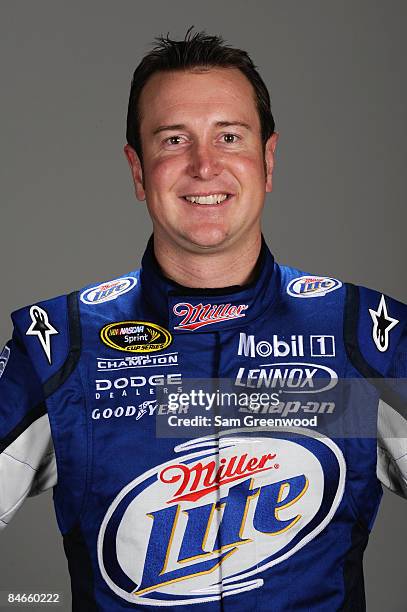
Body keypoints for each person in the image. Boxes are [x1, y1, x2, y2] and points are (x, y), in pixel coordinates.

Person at [0, 29, 406, 611]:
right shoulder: (59, 347)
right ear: (138, 171)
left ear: (267, 160)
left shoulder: (366, 335)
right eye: (173, 140)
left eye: (230, 137)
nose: (204, 165)